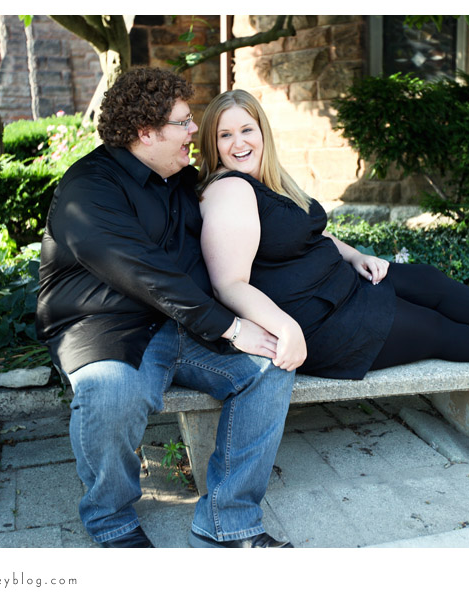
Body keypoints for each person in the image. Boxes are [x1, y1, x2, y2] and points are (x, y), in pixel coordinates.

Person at [36, 70, 296, 548]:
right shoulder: (88, 189)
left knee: (270, 366)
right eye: (183, 123)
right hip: (106, 326)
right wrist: (232, 327)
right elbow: (145, 273)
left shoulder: (179, 180)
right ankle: (110, 518)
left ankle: (227, 520)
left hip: (181, 324)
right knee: (111, 392)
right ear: (145, 133)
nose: (195, 132)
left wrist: (341, 256)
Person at [195, 89, 469, 381]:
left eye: (246, 130)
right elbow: (229, 283)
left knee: (425, 279)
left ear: (262, 133)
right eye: (225, 135)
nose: (238, 143)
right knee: (434, 329)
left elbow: (304, 235)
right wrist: (286, 329)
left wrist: (355, 256)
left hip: (339, 287)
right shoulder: (229, 189)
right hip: (319, 322)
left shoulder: (269, 183)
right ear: (213, 144)